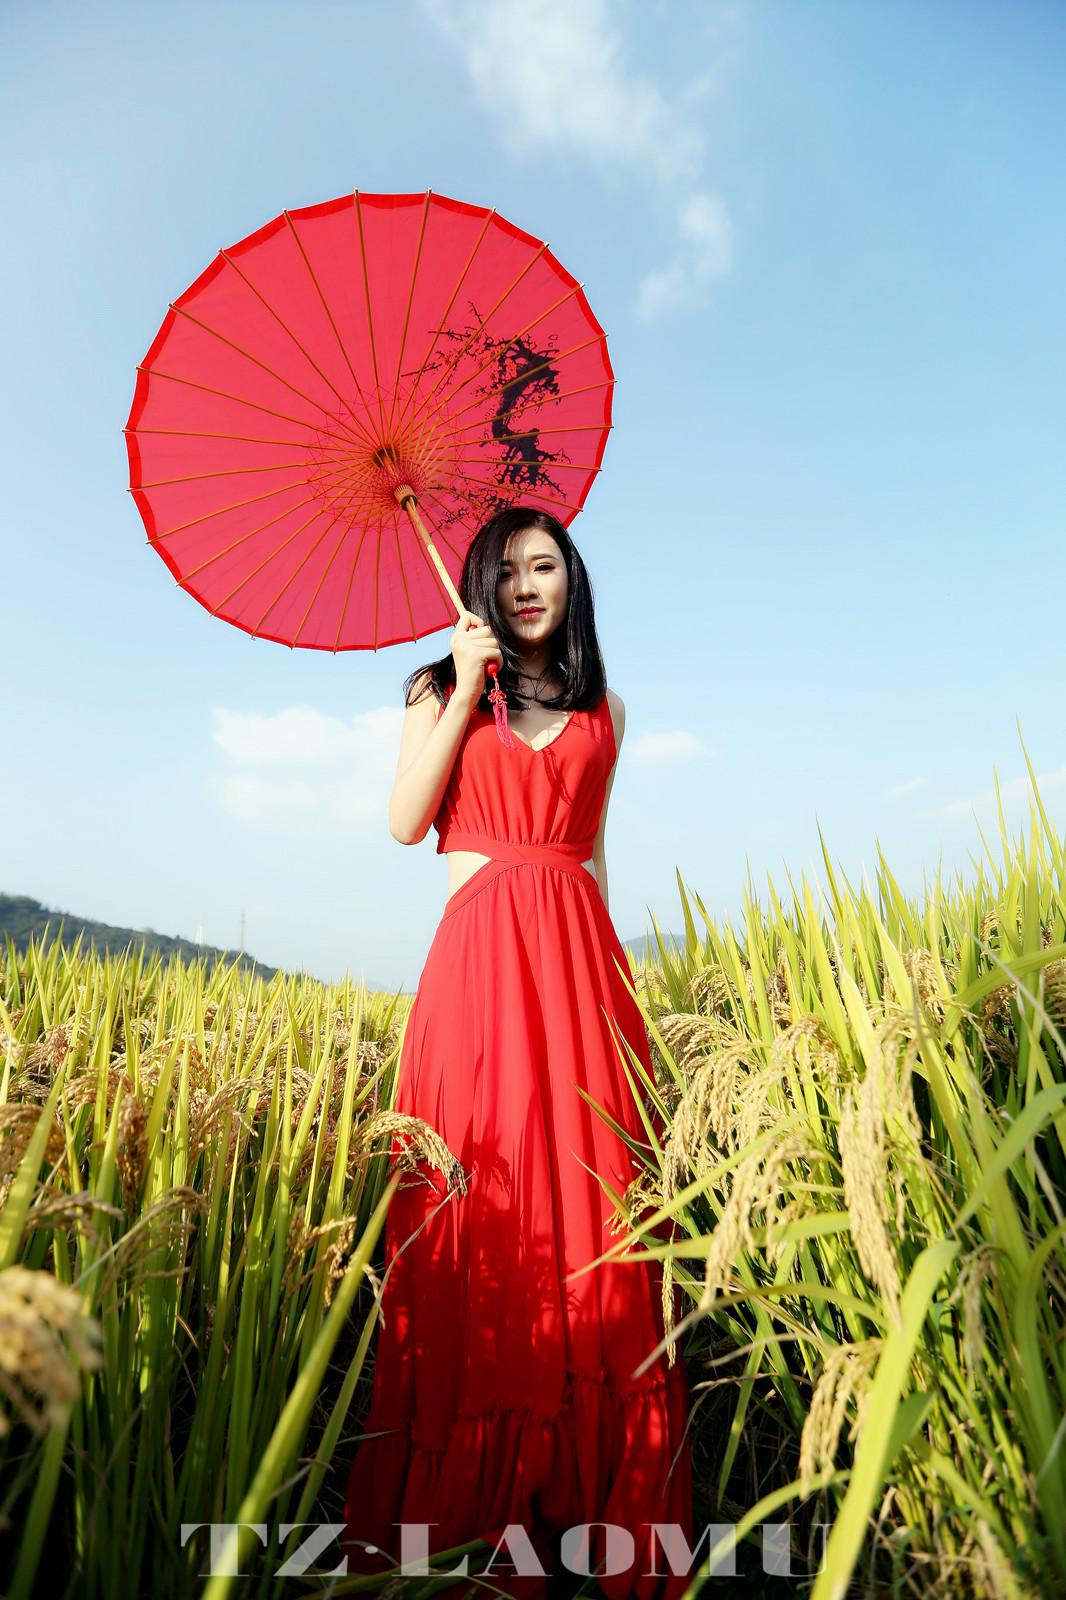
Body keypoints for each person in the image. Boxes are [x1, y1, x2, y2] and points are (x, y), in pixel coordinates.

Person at [341, 505, 694, 1598]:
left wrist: (615, 999)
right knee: (479, 1210)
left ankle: (601, 1510)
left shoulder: (606, 707)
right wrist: (460, 687)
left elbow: (591, 858)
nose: (528, 583)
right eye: (507, 569)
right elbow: (404, 823)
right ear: (481, 586)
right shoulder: (435, 689)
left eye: (546, 564)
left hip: (581, 976)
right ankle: (475, 1526)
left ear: (571, 579)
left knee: (597, 1215)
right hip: (476, 976)